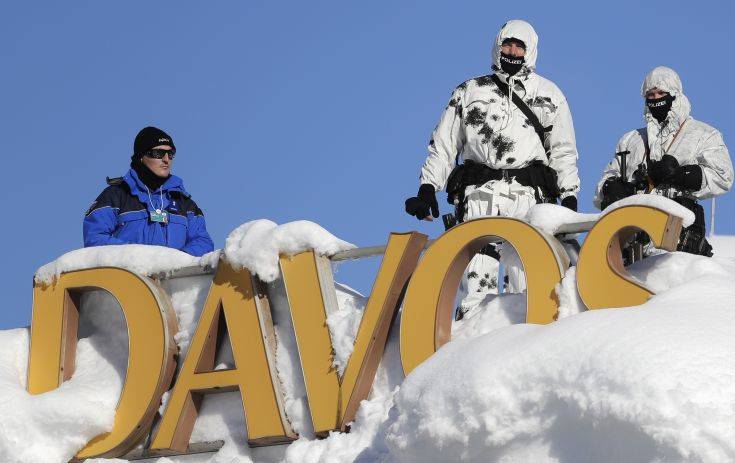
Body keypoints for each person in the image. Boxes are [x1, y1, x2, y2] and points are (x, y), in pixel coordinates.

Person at [404, 20, 580, 314]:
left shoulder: (550, 95)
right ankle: (470, 343)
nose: (511, 51)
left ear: (530, 51)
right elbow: (445, 144)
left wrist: (569, 196)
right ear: (497, 47)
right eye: (506, 45)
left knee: (527, 285)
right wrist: (427, 187)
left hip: (528, 199)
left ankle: (525, 343)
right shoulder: (470, 91)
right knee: (475, 282)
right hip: (478, 197)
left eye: (518, 46)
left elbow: (563, 150)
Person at [594, 66, 733, 257]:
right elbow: (604, 182)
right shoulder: (630, 140)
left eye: (661, 92)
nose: (655, 98)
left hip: (680, 238)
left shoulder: (703, 134)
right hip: (633, 242)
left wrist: (681, 175)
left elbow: (723, 176)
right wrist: (611, 189)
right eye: (650, 94)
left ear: (675, 95)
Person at [83, 126, 215, 257]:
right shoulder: (115, 196)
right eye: (158, 153)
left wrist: (177, 261)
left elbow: (203, 242)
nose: (166, 159)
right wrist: (140, 257)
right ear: (141, 156)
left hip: (173, 277)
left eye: (170, 154)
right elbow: (95, 239)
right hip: (130, 276)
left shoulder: (185, 204)